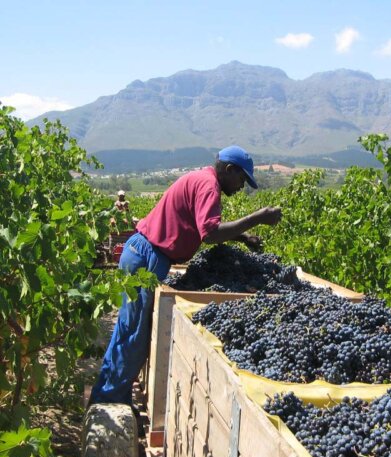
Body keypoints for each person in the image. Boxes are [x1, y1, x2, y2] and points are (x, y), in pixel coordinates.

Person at [90, 145, 282, 405]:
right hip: (148, 257)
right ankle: (109, 403)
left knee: (127, 330)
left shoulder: (201, 179)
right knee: (134, 336)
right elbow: (210, 234)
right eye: (242, 179)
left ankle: (107, 396)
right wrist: (256, 218)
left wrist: (242, 236)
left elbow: (200, 222)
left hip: (140, 251)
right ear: (229, 170)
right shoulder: (209, 187)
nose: (241, 186)